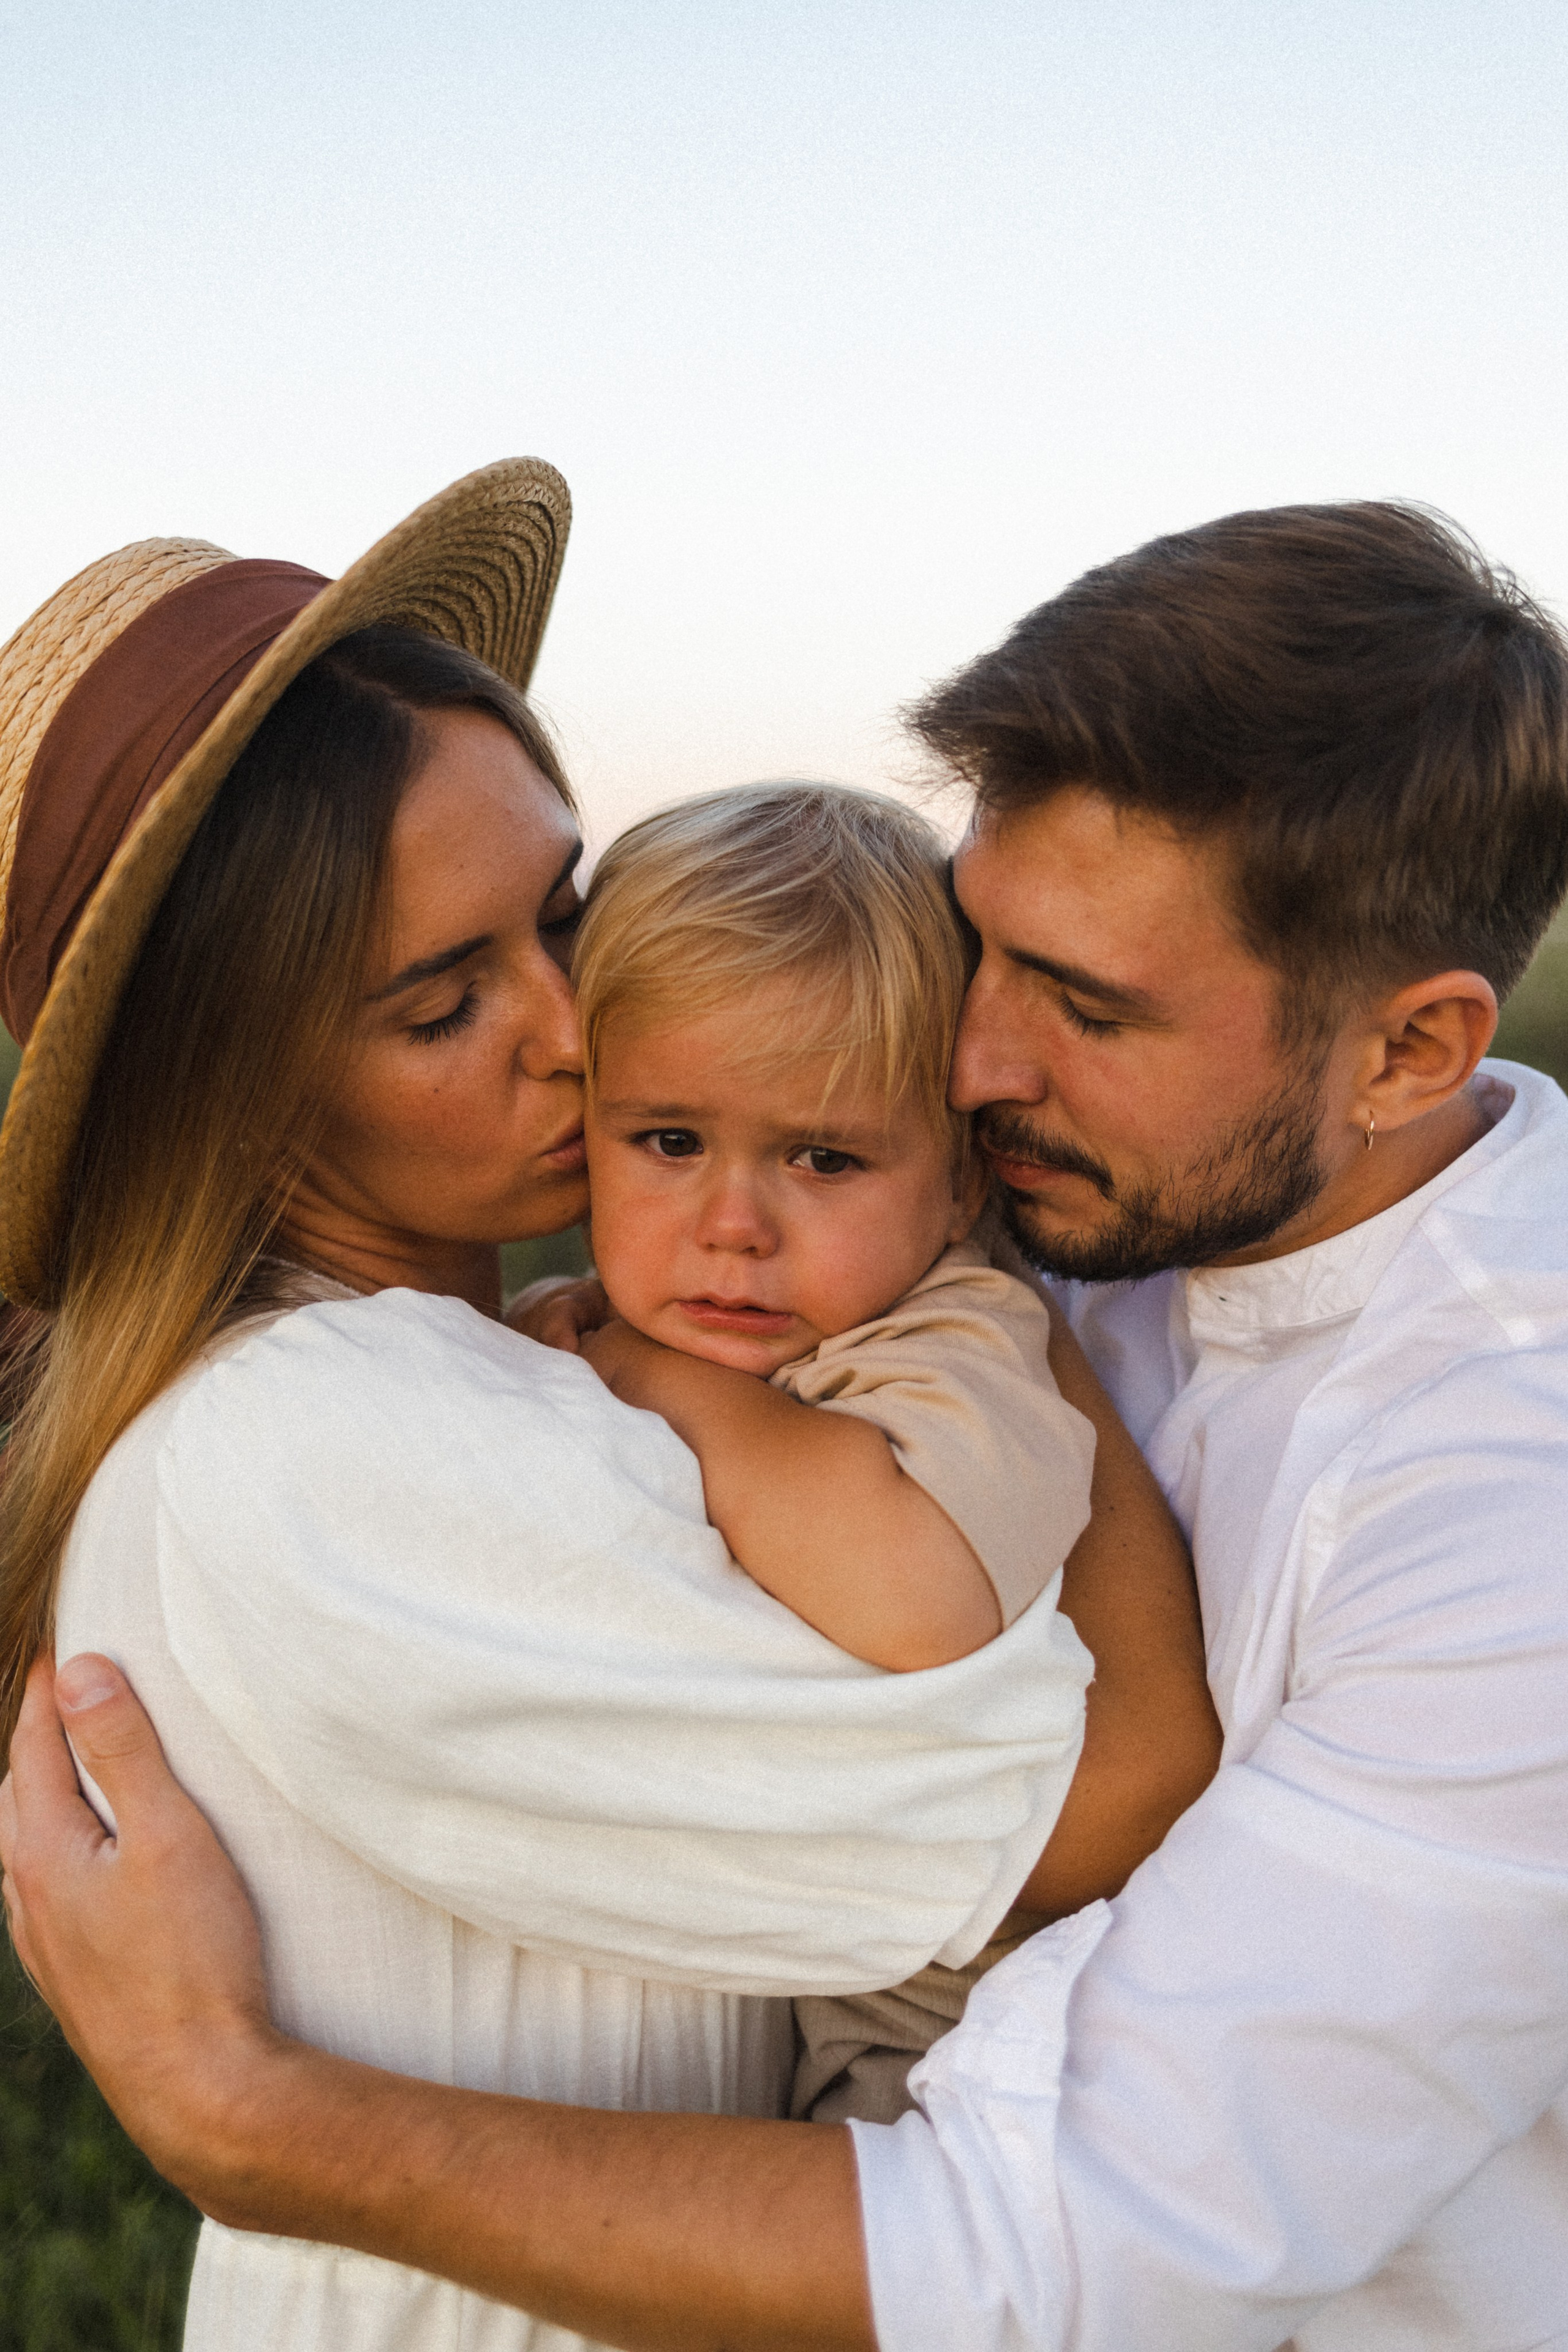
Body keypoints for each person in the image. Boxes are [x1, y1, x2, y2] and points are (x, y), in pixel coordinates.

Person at [7, 495, 1568, 2352]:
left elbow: (1065, 2238)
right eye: (979, 947)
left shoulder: (1503, 1502)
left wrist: (256, 2123)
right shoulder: (390, 1426)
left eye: (1083, 1005)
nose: (971, 1062)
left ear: (1411, 1052)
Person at [543, 779, 1099, 2117]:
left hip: (980, 2043)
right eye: (668, 1142)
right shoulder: (623, 1330)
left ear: (963, 1180)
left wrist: (646, 1372)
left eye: (824, 1160)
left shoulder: (963, 1338)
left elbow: (915, 1597)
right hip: (806, 1982)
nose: (734, 1223)